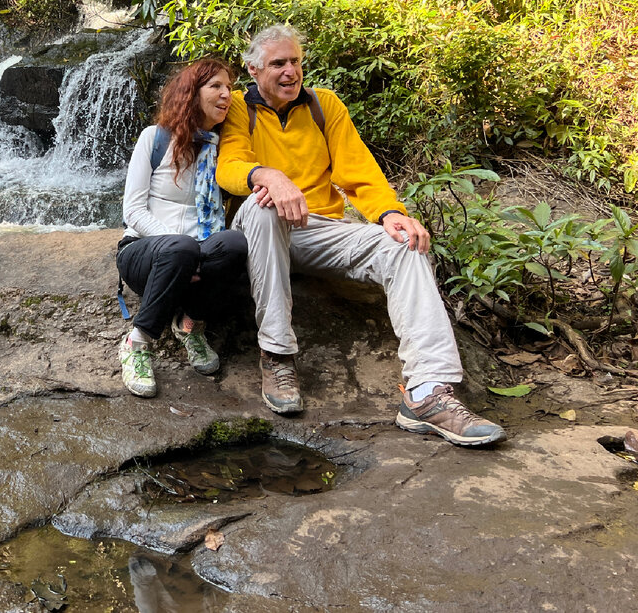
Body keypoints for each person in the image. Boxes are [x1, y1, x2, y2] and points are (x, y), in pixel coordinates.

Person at [216, 24, 506, 447]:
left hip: (319, 230)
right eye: (278, 63)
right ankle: (277, 355)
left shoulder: (324, 104)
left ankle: (427, 394)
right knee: (263, 208)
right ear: (254, 70)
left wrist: (390, 214)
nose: (290, 71)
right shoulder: (240, 108)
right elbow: (228, 168)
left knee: (405, 245)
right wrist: (269, 176)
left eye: (295, 61)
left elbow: (360, 172)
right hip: (259, 231)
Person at [117, 59, 249, 397]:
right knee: (181, 247)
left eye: (229, 88)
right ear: (192, 93)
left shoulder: (223, 150)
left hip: (197, 257)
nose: (226, 95)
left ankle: (189, 324)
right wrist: (183, 251)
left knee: (234, 244)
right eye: (215, 87)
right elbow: (132, 210)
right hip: (146, 253)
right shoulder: (155, 138)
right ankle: (137, 342)